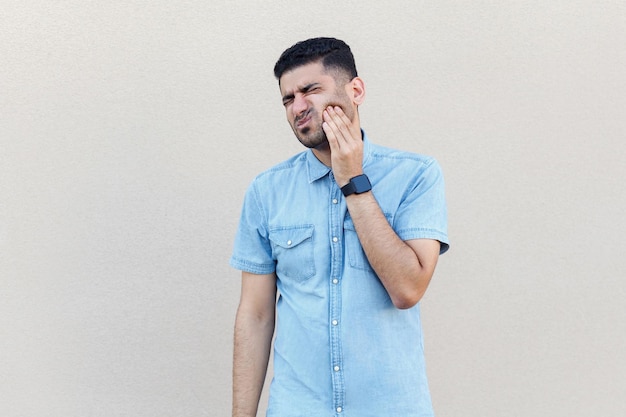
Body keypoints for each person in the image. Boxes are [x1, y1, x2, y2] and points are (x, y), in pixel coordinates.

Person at [230, 37, 449, 417]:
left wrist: (353, 180)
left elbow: (407, 289)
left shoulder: (416, 175)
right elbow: (256, 314)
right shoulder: (267, 191)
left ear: (356, 90)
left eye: (310, 90)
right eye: (287, 99)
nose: (298, 107)